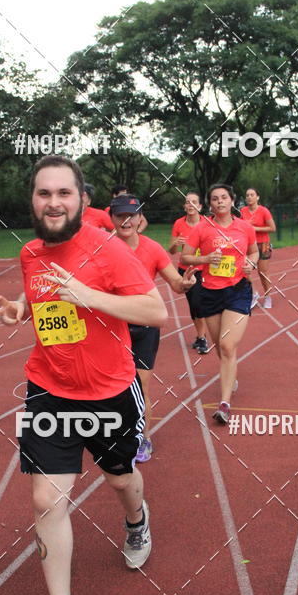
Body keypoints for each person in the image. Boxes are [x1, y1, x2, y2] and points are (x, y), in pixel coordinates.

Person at [0, 155, 167, 595]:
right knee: (47, 500)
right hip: (48, 389)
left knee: (120, 480)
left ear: (80, 199)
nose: (53, 202)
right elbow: (49, 300)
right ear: (33, 200)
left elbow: (154, 311)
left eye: (63, 193)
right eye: (44, 193)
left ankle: (137, 520)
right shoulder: (30, 254)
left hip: (110, 391)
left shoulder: (109, 250)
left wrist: (90, 295)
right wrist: (22, 310)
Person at [110, 194, 196, 461]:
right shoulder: (102, 248)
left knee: (141, 385)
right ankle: (112, 432)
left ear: (139, 218)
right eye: (120, 216)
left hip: (144, 326)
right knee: (113, 386)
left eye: (131, 216)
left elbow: (175, 283)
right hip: (113, 326)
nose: (126, 221)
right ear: (111, 218)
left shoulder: (153, 249)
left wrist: (185, 284)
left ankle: (143, 438)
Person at [181, 183, 258, 425]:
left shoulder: (245, 227)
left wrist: (251, 264)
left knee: (226, 345)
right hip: (210, 292)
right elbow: (184, 256)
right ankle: (230, 372)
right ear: (210, 204)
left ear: (232, 200)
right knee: (219, 347)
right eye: (215, 199)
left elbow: (255, 252)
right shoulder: (203, 228)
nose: (220, 202)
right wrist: (205, 258)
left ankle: (224, 404)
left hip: (238, 291)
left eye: (224, 197)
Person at [169, 191, 210, 354]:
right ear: (184, 206)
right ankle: (201, 336)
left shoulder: (207, 223)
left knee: (199, 303)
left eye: (194, 202)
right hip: (186, 271)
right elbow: (171, 251)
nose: (190, 205)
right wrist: (176, 243)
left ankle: (202, 337)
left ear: (199, 206)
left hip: (203, 270)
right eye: (187, 202)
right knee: (194, 305)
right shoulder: (179, 224)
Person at [240, 187, 276, 309]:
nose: (249, 197)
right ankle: (254, 293)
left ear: (257, 197)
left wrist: (255, 229)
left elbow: (272, 228)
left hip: (263, 244)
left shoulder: (264, 211)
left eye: (252, 195)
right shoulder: (243, 211)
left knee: (262, 272)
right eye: (247, 195)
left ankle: (268, 297)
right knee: (245, 271)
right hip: (248, 245)